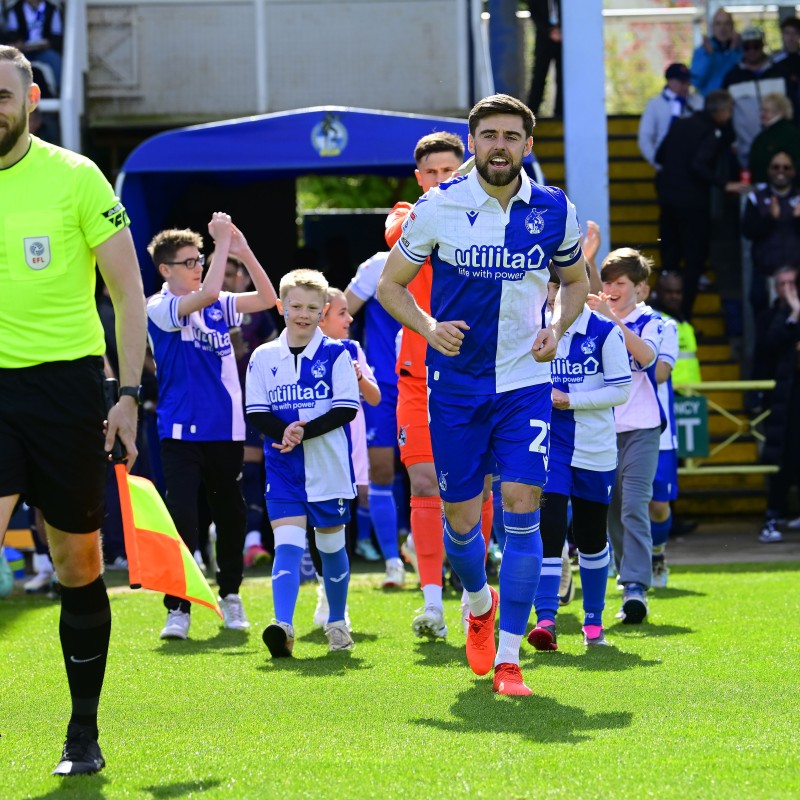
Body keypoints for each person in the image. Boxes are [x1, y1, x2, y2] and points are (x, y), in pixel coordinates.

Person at [378, 93, 589, 696]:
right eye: (489, 135)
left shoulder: (554, 209)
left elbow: (575, 281)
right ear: (474, 144)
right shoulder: (438, 207)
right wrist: (426, 327)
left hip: (525, 382)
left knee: (524, 506)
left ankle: (509, 658)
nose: (500, 145)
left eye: (511, 136)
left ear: (528, 145)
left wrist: (558, 322)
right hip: (456, 388)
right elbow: (393, 287)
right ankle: (476, 603)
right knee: (462, 522)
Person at [0, 46, 146, 775]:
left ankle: (81, 733)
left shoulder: (75, 176)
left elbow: (126, 291)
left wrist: (126, 395)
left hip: (66, 389)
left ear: (29, 99)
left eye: (1, 94)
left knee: (77, 560)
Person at [384, 132, 495, 640]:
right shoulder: (410, 212)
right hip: (416, 376)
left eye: (450, 170)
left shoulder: (489, 210)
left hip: (475, 369)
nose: (441, 179)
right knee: (425, 483)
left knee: (479, 486)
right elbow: (398, 233)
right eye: (431, 172)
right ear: (419, 178)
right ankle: (431, 602)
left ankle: (478, 596)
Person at [146, 217, 277, 640]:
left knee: (231, 514)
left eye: (199, 259)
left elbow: (269, 298)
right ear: (165, 270)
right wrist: (221, 245)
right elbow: (203, 295)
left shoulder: (219, 300)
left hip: (226, 428)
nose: (197, 266)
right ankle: (178, 608)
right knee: (184, 516)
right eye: (188, 262)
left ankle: (232, 595)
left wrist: (240, 249)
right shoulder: (158, 305)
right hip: (180, 431)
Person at [246, 269, 360, 656]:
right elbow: (255, 411)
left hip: (328, 471)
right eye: (295, 305)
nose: (303, 314)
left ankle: (337, 623)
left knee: (331, 550)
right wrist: (285, 432)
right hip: (283, 470)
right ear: (281, 307)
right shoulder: (263, 356)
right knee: (288, 546)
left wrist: (300, 432)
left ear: (323, 310)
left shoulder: (337, 353)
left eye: (313, 307)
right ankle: (284, 625)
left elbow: (346, 408)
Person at [528, 266, 631, 652]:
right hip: (550, 445)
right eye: (548, 291)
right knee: (549, 529)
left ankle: (593, 624)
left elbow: (620, 390)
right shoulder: (535, 330)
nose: (552, 299)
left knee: (590, 537)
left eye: (558, 290)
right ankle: (547, 620)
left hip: (595, 447)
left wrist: (572, 400)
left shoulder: (604, 333)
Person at [587, 248, 665, 625]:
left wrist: (612, 322)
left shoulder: (653, 321)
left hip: (643, 429)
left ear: (640, 288)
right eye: (608, 282)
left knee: (635, 504)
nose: (612, 289)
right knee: (611, 510)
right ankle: (626, 576)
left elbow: (651, 361)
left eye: (620, 283)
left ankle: (636, 587)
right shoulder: (593, 319)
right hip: (601, 428)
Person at [315, 286, 380, 626]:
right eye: (341, 313)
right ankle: (323, 591)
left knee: (341, 525)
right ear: (320, 317)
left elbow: (375, 397)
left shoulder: (352, 349)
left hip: (347, 450)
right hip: (314, 453)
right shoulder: (302, 350)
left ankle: (332, 599)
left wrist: (357, 376)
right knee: (318, 525)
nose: (350, 318)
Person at [654, 89, 748, 319]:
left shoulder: (681, 124)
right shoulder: (710, 131)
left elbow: (660, 156)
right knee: (694, 262)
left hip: (668, 201)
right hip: (693, 205)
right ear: (722, 111)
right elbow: (699, 165)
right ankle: (684, 315)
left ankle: (664, 316)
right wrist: (724, 184)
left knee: (670, 262)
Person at [344, 253, 406, 585]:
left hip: (424, 380)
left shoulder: (443, 254)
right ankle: (392, 562)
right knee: (380, 471)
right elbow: (338, 311)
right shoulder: (377, 265)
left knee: (436, 474)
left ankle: (437, 558)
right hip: (380, 384)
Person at [220, 253, 277, 569]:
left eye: (229, 273)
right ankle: (215, 542)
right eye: (218, 272)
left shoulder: (255, 314)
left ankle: (252, 540)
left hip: (250, 402)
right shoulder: (198, 308)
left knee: (251, 469)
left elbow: (276, 356)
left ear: (241, 277)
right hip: (213, 404)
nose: (224, 279)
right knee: (219, 475)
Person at [758, 266, 800, 543]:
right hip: (782, 399)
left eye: (791, 283)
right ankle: (773, 515)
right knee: (780, 458)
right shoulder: (770, 316)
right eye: (781, 283)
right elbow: (770, 346)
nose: (786, 289)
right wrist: (795, 314)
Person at [741, 151, 800, 317]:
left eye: (786, 168)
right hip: (765, 274)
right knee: (764, 320)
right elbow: (748, 232)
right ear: (769, 170)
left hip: (796, 276)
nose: (781, 171)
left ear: (793, 172)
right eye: (776, 167)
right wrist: (770, 219)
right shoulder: (756, 198)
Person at [722, 26, 787, 169]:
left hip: (780, 147)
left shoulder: (780, 73)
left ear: (763, 45)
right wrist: (732, 141)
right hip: (745, 150)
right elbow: (725, 114)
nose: (751, 51)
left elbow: (792, 107)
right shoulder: (733, 77)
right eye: (747, 47)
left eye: (756, 46)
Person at [638, 63, 703, 169]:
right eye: (682, 82)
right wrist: (657, 162)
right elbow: (645, 138)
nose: (686, 86)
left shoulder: (698, 102)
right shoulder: (655, 105)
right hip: (667, 164)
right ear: (669, 82)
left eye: (688, 82)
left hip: (694, 164)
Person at [1, 1, 63, 92]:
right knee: (12, 62)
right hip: (23, 50)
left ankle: (58, 90)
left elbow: (57, 35)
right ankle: (12, 91)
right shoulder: (16, 9)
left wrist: (48, 43)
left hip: (44, 49)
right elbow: (11, 32)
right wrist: (18, 43)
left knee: (56, 60)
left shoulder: (52, 9)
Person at [748, 93, 800, 185]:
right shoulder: (763, 136)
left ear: (780, 112)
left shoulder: (787, 135)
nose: (762, 114)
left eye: (766, 111)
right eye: (761, 110)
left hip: (780, 191)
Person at [691, 7, 741, 96]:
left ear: (733, 26)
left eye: (727, 24)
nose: (723, 28)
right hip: (711, 104)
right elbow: (696, 82)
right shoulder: (702, 51)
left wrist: (733, 51)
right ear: (712, 27)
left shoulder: (742, 50)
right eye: (718, 24)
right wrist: (709, 57)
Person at [525, 0, 562, 117]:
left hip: (563, 40)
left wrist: (561, 30)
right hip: (544, 39)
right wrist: (550, 30)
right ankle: (532, 111)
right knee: (539, 75)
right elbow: (534, 13)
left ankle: (560, 112)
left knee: (562, 77)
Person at [771, 16, 800, 124]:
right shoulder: (774, 61)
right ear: (782, 35)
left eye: (794, 33)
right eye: (787, 33)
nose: (791, 37)